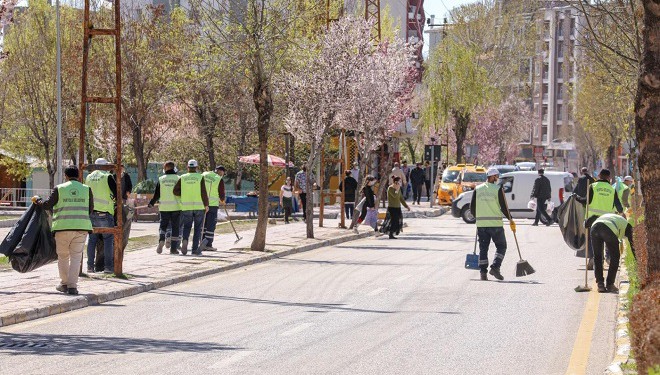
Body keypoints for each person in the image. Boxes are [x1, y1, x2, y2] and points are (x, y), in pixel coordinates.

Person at [33, 166, 93, 295]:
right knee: (76, 258)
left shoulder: (59, 189)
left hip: (62, 228)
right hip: (81, 228)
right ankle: (73, 286)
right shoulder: (87, 190)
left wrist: (38, 201)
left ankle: (64, 284)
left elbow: (47, 205)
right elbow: (90, 209)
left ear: (65, 175)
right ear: (78, 176)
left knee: (63, 257)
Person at [470, 168, 514, 281]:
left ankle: (483, 273)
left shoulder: (477, 189)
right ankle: (495, 267)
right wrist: (510, 219)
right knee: (502, 246)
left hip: (481, 225)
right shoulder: (498, 189)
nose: (498, 178)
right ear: (493, 176)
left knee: (483, 248)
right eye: (497, 176)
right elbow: (504, 207)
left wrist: (478, 218)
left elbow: (472, 208)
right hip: (495, 224)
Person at [579, 168, 624, 269]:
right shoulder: (612, 190)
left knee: (593, 240)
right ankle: (608, 258)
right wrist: (622, 214)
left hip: (593, 220)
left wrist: (577, 198)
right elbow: (618, 206)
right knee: (607, 239)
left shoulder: (592, 186)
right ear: (609, 178)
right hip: (608, 220)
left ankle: (593, 260)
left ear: (599, 175)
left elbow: (586, 201)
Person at [85, 158, 117, 274]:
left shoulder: (88, 177)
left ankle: (90, 267)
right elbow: (116, 192)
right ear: (104, 166)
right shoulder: (107, 176)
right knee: (108, 240)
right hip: (105, 212)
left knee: (92, 240)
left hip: (91, 212)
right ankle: (108, 267)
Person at [590, 213, 635, 293]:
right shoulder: (627, 225)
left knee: (597, 256)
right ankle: (610, 284)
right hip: (607, 229)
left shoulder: (612, 218)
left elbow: (591, 220)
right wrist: (637, 258)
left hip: (594, 228)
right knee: (615, 256)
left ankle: (600, 284)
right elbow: (633, 243)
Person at [173, 159, 209, 255]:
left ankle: (185, 240)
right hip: (199, 207)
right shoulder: (200, 177)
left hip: (186, 207)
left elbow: (175, 191)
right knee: (197, 228)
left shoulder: (182, 177)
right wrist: (206, 205)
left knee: (187, 227)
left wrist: (184, 194)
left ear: (187, 167)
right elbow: (203, 192)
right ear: (196, 167)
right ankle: (194, 250)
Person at [149, 161, 182, 255]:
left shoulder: (161, 179)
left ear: (166, 168)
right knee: (175, 228)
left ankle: (162, 240)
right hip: (176, 207)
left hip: (164, 207)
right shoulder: (178, 178)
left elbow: (157, 194)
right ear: (173, 168)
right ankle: (173, 249)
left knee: (163, 226)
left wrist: (151, 203)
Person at [201, 165, 226, 251]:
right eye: (223, 173)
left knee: (203, 224)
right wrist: (222, 200)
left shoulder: (203, 174)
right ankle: (208, 244)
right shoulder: (219, 179)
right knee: (210, 225)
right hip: (212, 205)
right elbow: (221, 192)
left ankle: (201, 241)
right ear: (221, 172)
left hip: (202, 204)